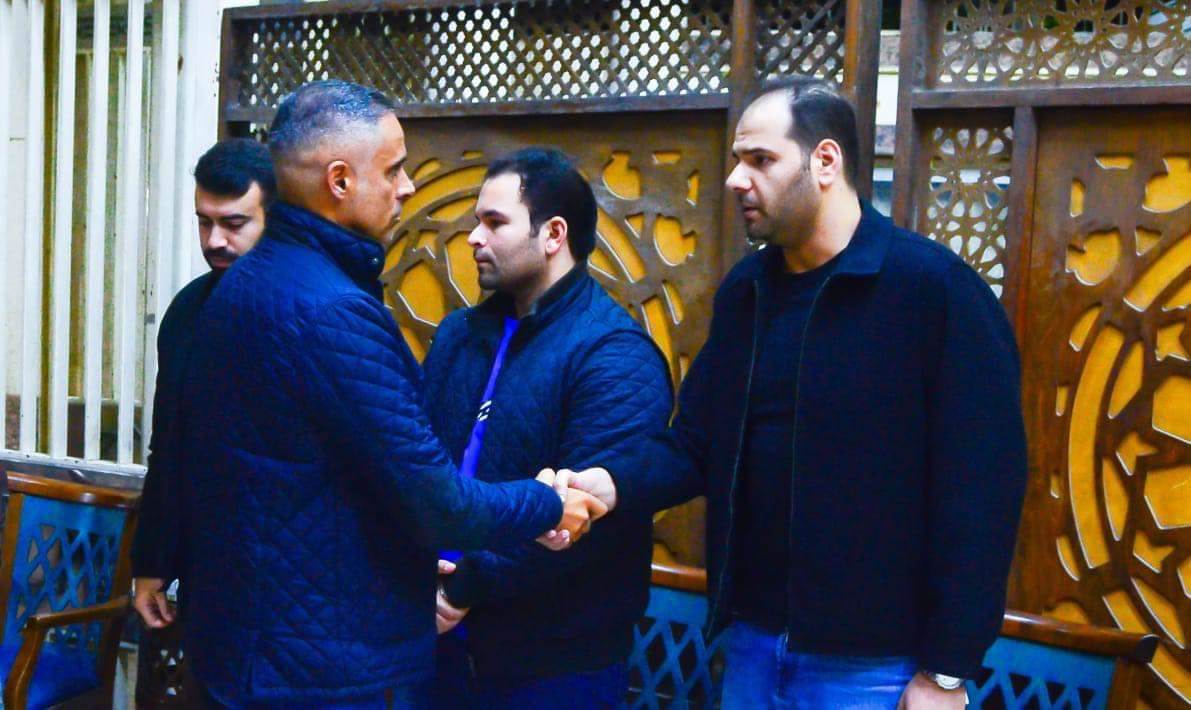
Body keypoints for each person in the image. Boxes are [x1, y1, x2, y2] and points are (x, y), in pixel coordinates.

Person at [568, 76, 1027, 709]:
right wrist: (611, 484)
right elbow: (697, 443)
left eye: (760, 159)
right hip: (753, 644)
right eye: (737, 160)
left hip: (877, 666)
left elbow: (983, 491)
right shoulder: (748, 291)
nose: (736, 179)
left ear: (825, 161)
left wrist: (945, 671)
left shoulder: (933, 291)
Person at [173, 81, 610, 708]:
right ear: (340, 180)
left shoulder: (243, 285)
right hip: (315, 665)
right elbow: (435, 503)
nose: (407, 187)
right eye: (394, 169)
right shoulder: (333, 311)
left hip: (250, 642)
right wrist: (547, 504)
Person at [424, 148, 673, 708]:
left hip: (552, 663)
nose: (473, 238)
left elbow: (585, 519)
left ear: (553, 234)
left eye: (495, 222)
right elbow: (422, 464)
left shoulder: (614, 354)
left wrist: (467, 585)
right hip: (438, 642)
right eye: (476, 221)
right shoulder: (459, 334)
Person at [132, 138, 275, 629]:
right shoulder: (188, 310)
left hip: (291, 574)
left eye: (234, 224)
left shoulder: (311, 311)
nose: (215, 240)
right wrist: (152, 562)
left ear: (273, 220)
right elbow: (168, 445)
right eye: (204, 222)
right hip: (208, 570)